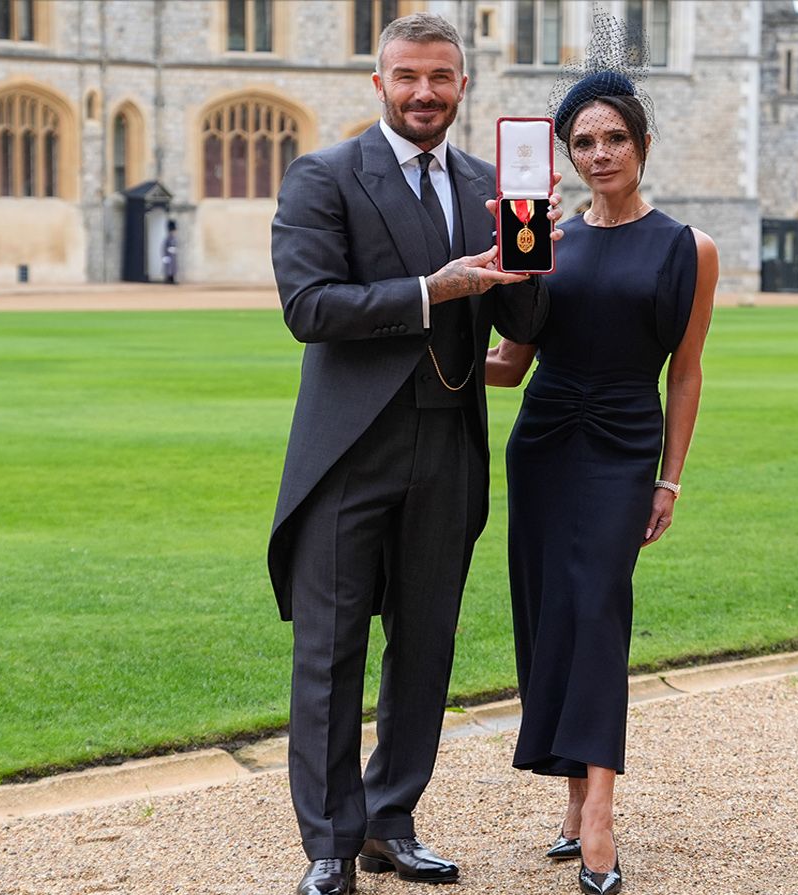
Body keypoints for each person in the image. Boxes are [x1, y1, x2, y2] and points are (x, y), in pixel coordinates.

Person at [267, 12, 563, 895]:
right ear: (380, 84)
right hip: (348, 451)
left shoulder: (488, 181)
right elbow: (309, 307)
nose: (425, 92)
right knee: (330, 651)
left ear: (463, 85)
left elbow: (524, 324)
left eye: (441, 77)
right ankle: (330, 840)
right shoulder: (323, 177)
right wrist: (434, 290)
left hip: (448, 445)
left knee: (426, 645)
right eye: (408, 77)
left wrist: (534, 244)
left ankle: (391, 821)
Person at [485, 66, 718, 895]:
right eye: (582, 141)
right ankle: (573, 793)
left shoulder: (689, 248)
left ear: (643, 144)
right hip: (543, 439)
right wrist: (421, 349)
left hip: (624, 444)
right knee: (549, 611)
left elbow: (685, 375)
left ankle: (601, 811)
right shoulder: (546, 241)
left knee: (599, 608)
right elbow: (510, 367)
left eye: (614, 137)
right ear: (566, 155)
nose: (599, 152)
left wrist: (671, 479)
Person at [161, 220, 178, 284]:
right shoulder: (167, 238)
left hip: (173, 255)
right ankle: (168, 279)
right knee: (168, 268)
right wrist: (165, 256)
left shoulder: (173, 237)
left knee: (173, 268)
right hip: (168, 255)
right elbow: (164, 247)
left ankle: (172, 279)